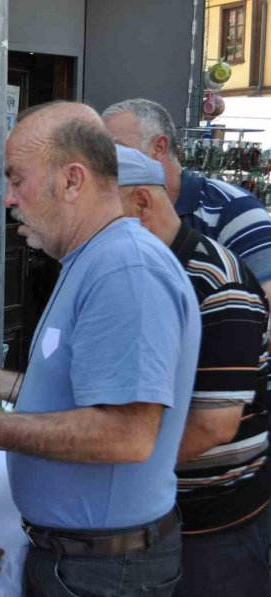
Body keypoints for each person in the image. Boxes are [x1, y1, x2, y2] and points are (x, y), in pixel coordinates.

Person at [0, 101, 201, 596]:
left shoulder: (124, 270)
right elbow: (83, 393)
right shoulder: (92, 258)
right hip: (79, 558)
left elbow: (126, 434)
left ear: (73, 181)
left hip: (104, 572)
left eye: (17, 179)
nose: (9, 198)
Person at [114, 144, 271, 596]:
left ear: (142, 203)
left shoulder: (215, 280)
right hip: (156, 516)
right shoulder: (138, 272)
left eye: (102, 214)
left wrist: (109, 467)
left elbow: (213, 427)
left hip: (216, 529)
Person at [102, 99, 271, 301]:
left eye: (117, 150)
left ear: (158, 148)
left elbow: (265, 301)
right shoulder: (112, 212)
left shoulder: (234, 209)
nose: (104, 162)